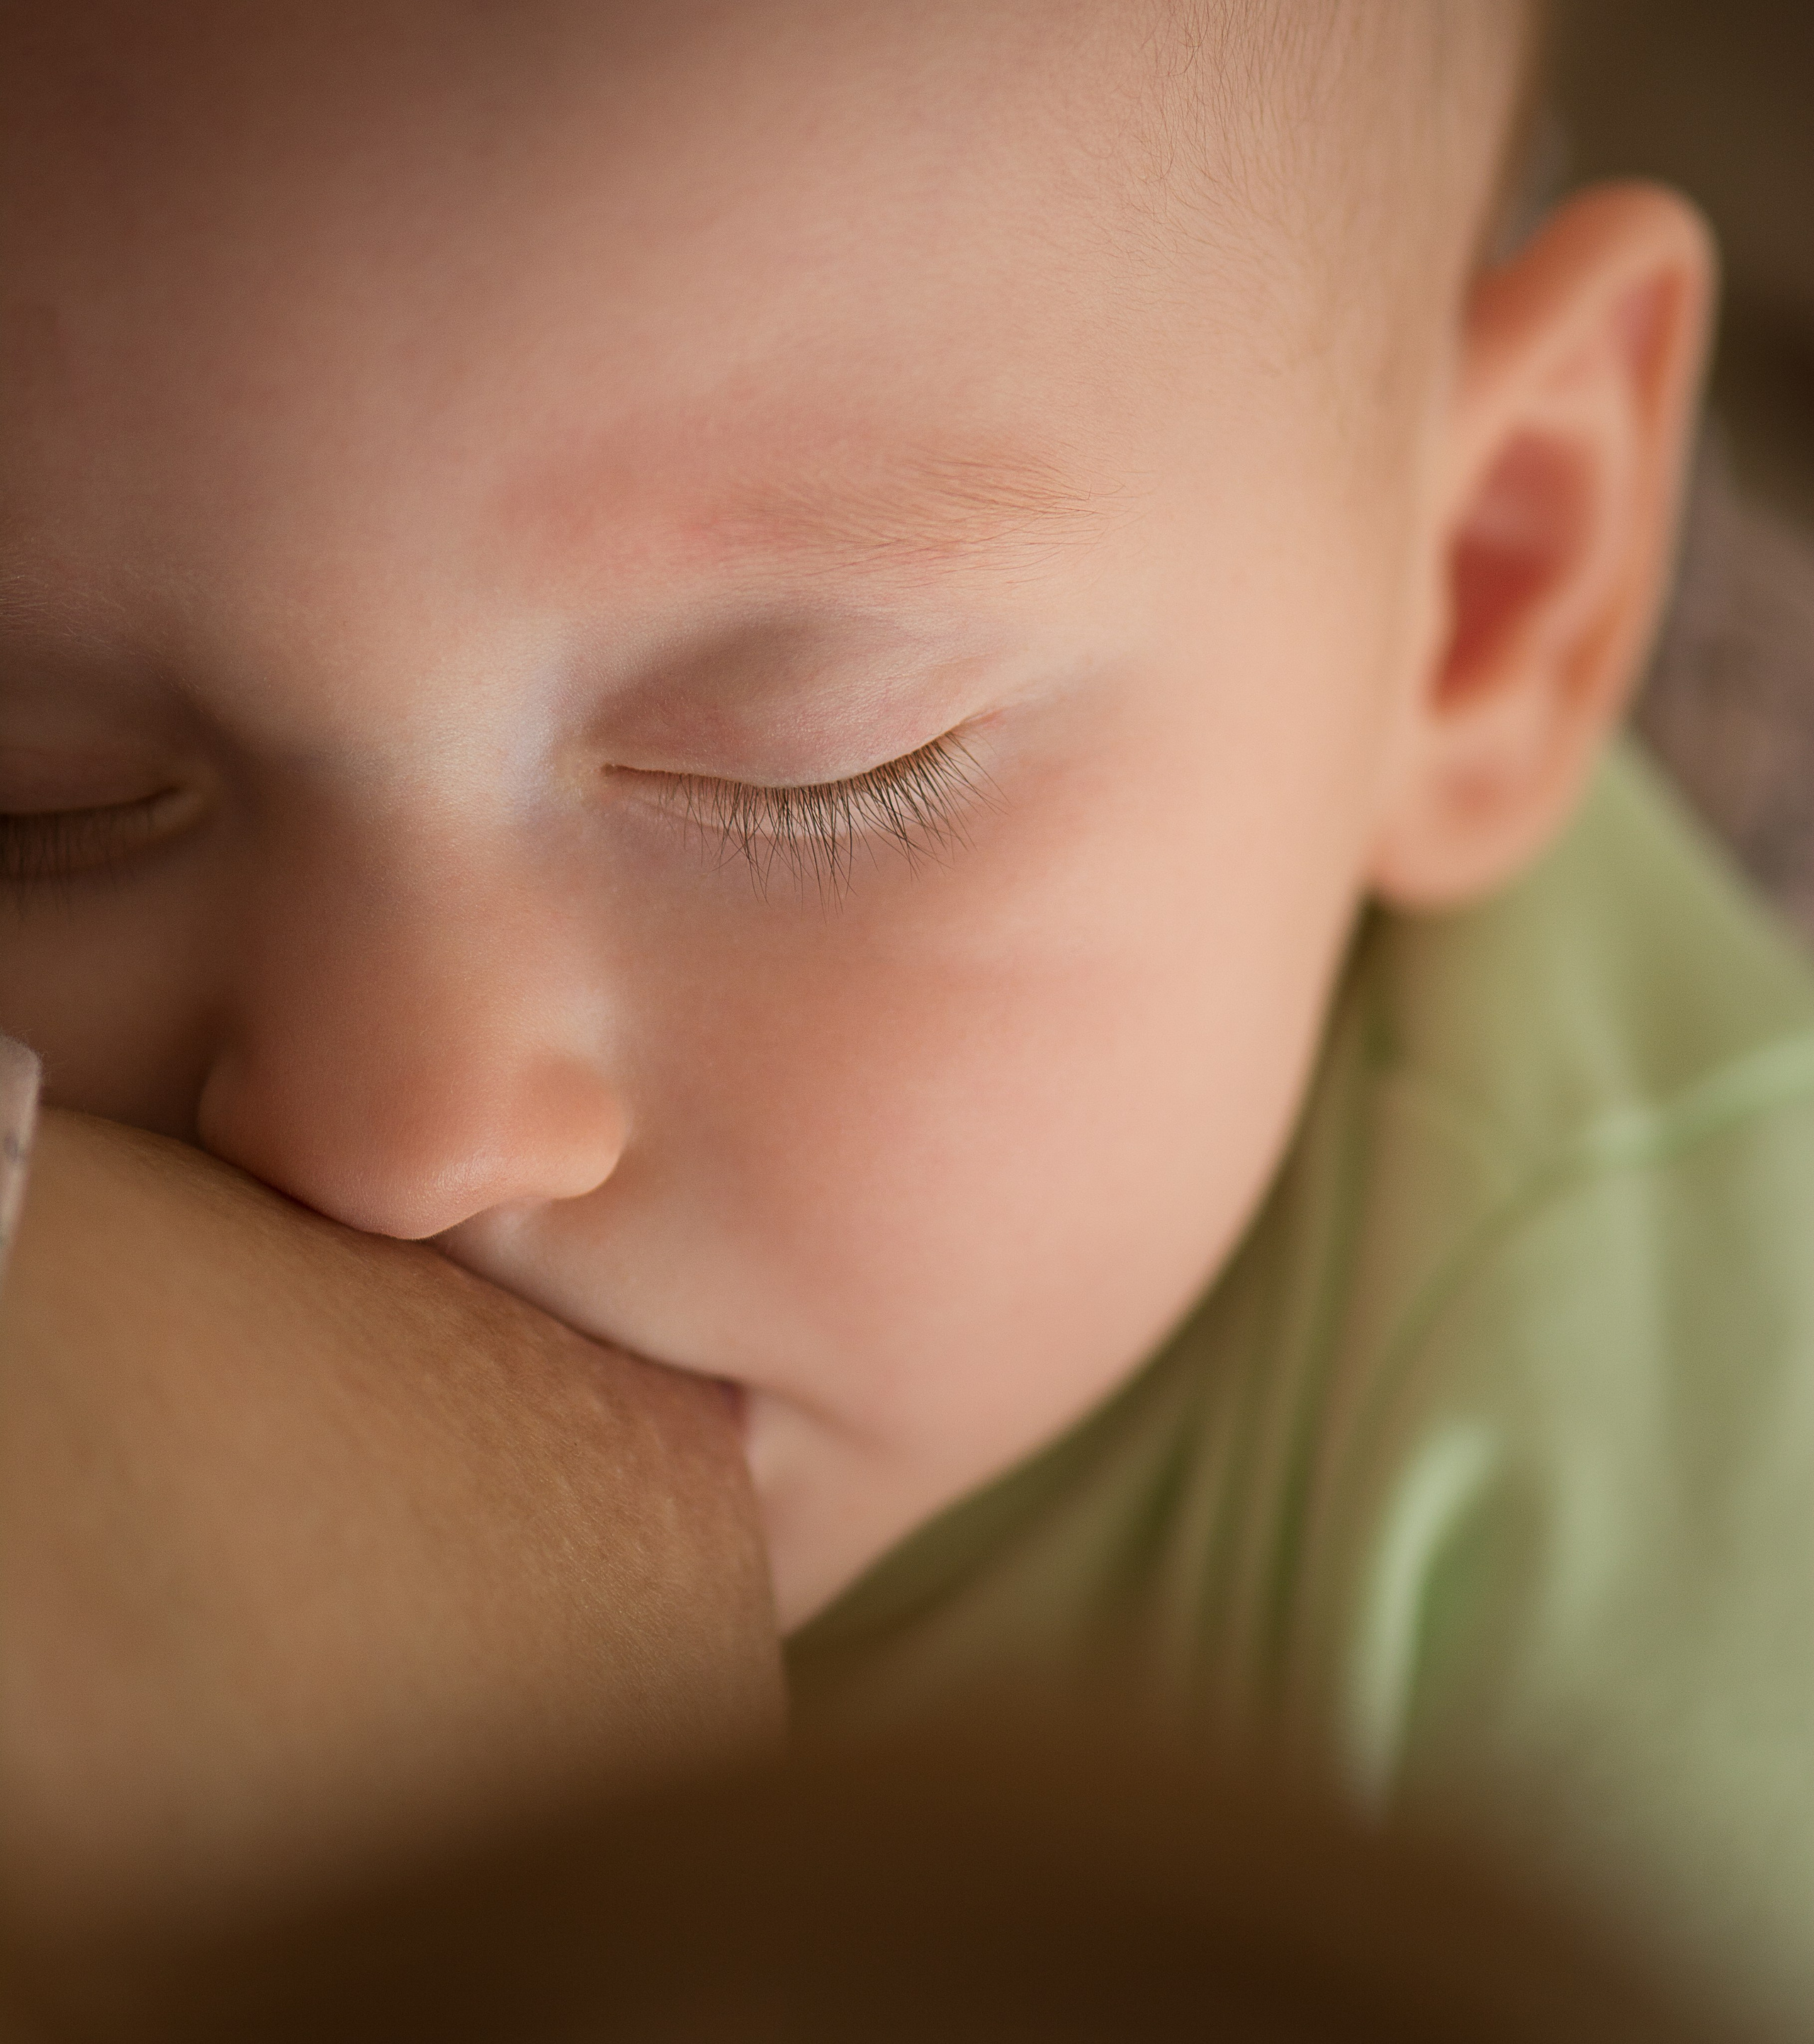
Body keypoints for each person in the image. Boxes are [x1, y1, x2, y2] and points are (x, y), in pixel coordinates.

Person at [4, 0, 1810, 2029]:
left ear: (1479, 594)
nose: (396, 1132)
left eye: (805, 770)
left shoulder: (1683, 1510)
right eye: (45, 801)